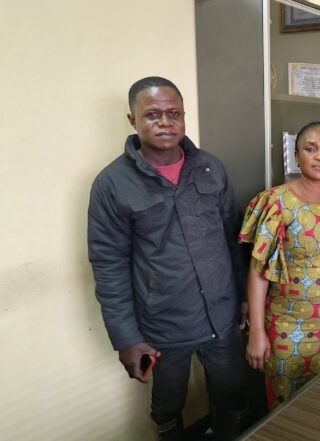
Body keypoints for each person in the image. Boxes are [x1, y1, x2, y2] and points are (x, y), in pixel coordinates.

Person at [88, 76, 248, 441]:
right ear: (133, 120)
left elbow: (234, 238)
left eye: (174, 113)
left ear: (184, 116)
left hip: (222, 316)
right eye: (153, 115)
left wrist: (242, 297)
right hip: (163, 325)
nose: (165, 122)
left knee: (231, 395)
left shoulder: (210, 167)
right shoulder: (112, 184)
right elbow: (109, 266)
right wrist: (126, 338)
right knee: (168, 405)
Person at [240, 121, 320, 408]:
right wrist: (256, 332)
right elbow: (258, 272)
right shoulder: (277, 202)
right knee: (285, 409)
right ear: (296, 155)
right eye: (311, 149)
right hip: (287, 327)